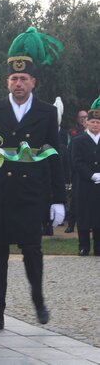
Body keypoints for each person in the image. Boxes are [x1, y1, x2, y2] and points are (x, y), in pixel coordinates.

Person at [0, 27, 66, 332]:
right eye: (14, 78)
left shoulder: (47, 112)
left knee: (32, 251)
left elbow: (54, 155)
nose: (18, 83)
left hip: (31, 193)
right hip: (0, 191)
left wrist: (58, 199)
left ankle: (38, 301)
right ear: (7, 81)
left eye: (24, 79)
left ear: (33, 82)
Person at [71, 97, 100, 256]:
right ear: (86, 123)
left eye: (98, 122)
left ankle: (98, 246)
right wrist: (91, 175)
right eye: (93, 122)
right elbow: (76, 162)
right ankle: (83, 246)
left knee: (98, 216)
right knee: (84, 215)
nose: (95, 124)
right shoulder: (78, 140)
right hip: (84, 184)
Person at [65, 110, 88, 233]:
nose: (84, 120)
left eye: (86, 118)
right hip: (77, 173)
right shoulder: (75, 134)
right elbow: (70, 155)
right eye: (82, 117)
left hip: (91, 174)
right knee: (75, 199)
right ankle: (71, 224)